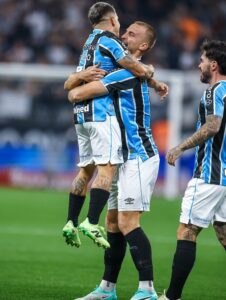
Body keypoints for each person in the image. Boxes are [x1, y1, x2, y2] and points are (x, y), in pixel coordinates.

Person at [67, 21, 168, 300]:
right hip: (121, 157)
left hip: (138, 156)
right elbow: (145, 72)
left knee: (127, 222)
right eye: (125, 31)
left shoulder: (124, 74)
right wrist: (153, 78)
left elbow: (76, 94)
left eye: (131, 35)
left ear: (143, 46)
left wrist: (77, 81)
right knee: (112, 223)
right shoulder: (127, 71)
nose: (124, 36)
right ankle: (107, 289)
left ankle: (146, 289)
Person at [62, 2, 155, 249]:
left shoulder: (87, 45)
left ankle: (71, 221)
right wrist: (150, 72)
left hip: (80, 116)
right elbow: (133, 66)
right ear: (113, 20)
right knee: (108, 168)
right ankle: (91, 221)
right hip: (100, 114)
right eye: (121, 26)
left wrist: (77, 78)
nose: (123, 33)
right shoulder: (109, 40)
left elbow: (68, 87)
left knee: (86, 169)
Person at [158, 40, 226, 300]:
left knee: (187, 230)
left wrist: (179, 147)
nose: (198, 65)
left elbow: (212, 127)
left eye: (201, 60)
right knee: (223, 233)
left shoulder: (215, 91)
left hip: (210, 174)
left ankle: (172, 296)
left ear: (213, 64)